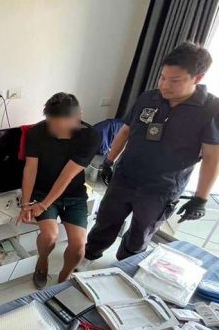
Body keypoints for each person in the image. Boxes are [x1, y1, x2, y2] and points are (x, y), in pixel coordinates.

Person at [84, 42, 219, 264]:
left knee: (140, 235)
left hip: (161, 189)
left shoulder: (211, 109)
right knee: (106, 221)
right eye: (162, 77)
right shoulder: (148, 98)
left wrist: (201, 198)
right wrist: (109, 161)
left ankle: (124, 267)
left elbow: (212, 157)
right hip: (125, 177)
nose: (165, 85)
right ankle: (88, 256)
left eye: (175, 80)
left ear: (198, 78)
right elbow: (125, 130)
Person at [20, 93, 100, 286]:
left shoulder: (91, 136)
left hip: (74, 195)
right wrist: (26, 203)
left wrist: (43, 206)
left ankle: (64, 278)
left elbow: (67, 176)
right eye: (52, 125)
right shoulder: (37, 132)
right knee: (50, 235)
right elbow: (30, 169)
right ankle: (42, 262)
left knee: (78, 245)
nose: (56, 132)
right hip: (43, 191)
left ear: (78, 116)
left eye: (62, 127)